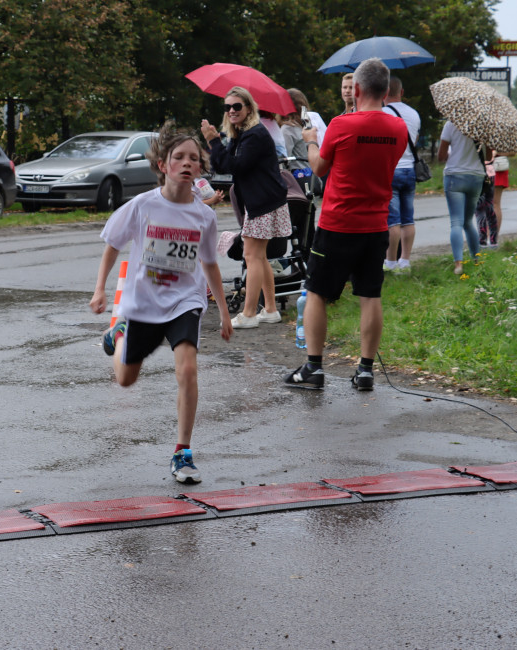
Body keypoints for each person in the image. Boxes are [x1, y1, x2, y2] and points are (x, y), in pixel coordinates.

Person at [90, 122, 233, 484]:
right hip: (143, 303)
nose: (187, 163)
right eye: (179, 157)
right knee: (125, 380)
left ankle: (183, 452)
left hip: (185, 301)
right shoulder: (142, 206)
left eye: (194, 159)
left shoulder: (205, 216)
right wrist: (100, 290)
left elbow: (210, 263)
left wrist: (225, 311)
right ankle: (119, 333)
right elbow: (112, 244)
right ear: (162, 165)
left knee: (187, 369)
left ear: (200, 168)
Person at [285, 58, 407, 392]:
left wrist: (310, 140)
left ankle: (313, 367)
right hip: (375, 226)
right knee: (370, 295)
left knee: (317, 294)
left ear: (358, 89)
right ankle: (366, 371)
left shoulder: (341, 125)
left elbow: (319, 169)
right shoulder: (399, 128)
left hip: (338, 224)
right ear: (385, 90)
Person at [201, 86, 290, 329]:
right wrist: (215, 142)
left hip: (264, 202)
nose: (231, 110)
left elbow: (237, 166)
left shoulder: (256, 134)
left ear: (249, 108)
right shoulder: (241, 134)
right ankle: (270, 310)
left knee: (252, 256)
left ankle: (249, 313)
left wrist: (213, 141)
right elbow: (222, 164)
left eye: (237, 106)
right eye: (227, 107)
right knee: (259, 257)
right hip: (261, 201)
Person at [382, 75, 422, 272]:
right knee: (408, 218)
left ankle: (390, 262)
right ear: (402, 92)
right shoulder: (414, 114)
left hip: (391, 169)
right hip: (410, 169)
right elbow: (413, 141)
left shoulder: (382, 113)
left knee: (393, 220)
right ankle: (405, 261)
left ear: (384, 92)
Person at [437, 121, 486, 275]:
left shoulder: (451, 124)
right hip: (476, 176)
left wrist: (453, 153)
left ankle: (458, 264)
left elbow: (441, 156)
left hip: (454, 176)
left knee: (456, 222)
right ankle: (476, 260)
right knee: (468, 221)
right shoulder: (484, 125)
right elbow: (489, 156)